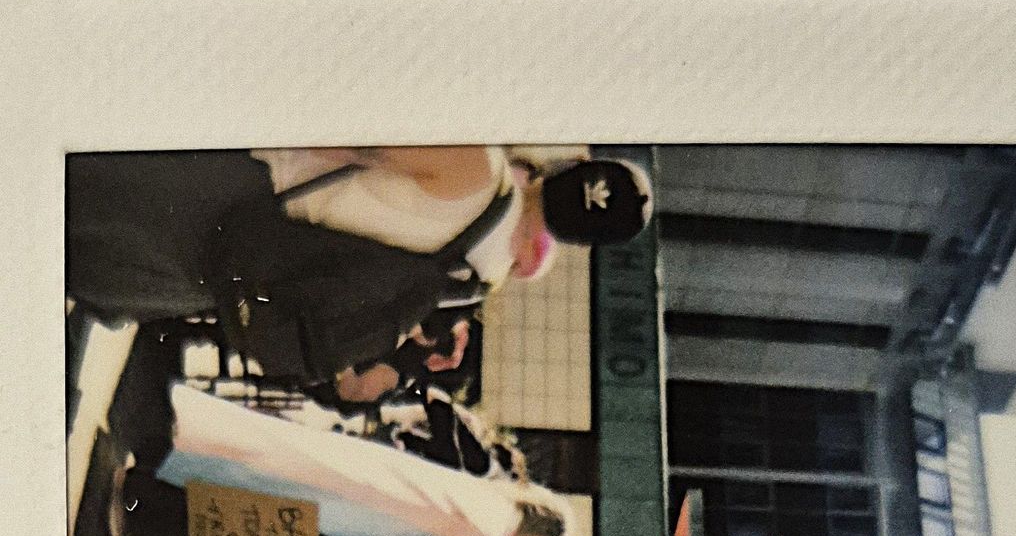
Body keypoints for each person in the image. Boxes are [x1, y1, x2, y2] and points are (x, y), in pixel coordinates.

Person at [67, 148, 653, 399]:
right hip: (237, 274)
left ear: (572, 166)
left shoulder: (480, 166)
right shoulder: (482, 278)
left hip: (234, 195)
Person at [111, 382, 575, 536]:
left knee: (257, 459)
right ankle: (138, 497)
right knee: (243, 506)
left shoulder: (490, 497)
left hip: (364, 474)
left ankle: (151, 460)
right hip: (350, 516)